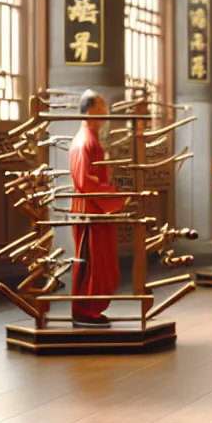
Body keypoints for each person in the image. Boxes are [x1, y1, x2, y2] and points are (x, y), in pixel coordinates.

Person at [69, 90, 124, 327]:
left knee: (98, 260)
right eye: (102, 107)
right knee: (90, 259)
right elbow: (84, 181)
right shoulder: (85, 142)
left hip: (96, 207)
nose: (106, 112)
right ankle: (85, 309)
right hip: (90, 207)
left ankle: (91, 307)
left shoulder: (91, 138)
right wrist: (113, 195)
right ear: (91, 110)